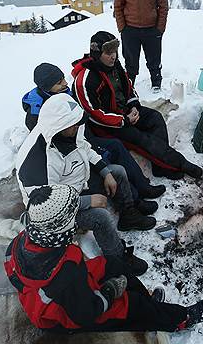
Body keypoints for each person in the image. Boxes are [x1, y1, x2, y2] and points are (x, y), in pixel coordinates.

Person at [5, 184, 203, 333]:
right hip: (61, 315)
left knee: (113, 263)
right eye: (72, 217)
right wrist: (109, 291)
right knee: (133, 305)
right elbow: (85, 313)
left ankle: (149, 304)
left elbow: (18, 277)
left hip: (56, 292)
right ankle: (179, 319)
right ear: (62, 226)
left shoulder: (20, 242)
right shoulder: (66, 269)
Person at [15, 93, 155, 276]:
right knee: (100, 216)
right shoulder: (38, 162)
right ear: (60, 126)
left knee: (117, 171)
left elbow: (85, 148)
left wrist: (105, 172)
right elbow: (47, 206)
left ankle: (129, 215)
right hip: (54, 212)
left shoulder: (71, 127)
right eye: (74, 124)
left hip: (76, 182)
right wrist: (87, 201)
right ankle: (117, 259)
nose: (79, 126)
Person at [22, 63, 166, 201]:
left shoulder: (65, 94)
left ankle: (143, 186)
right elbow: (49, 142)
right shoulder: (36, 112)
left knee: (116, 145)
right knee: (107, 160)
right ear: (47, 87)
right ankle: (134, 200)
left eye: (64, 78)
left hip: (83, 138)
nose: (66, 83)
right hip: (71, 153)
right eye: (59, 82)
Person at [72, 31, 203, 180]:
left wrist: (133, 106)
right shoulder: (86, 79)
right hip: (108, 126)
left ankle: (160, 167)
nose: (113, 56)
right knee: (142, 139)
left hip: (126, 112)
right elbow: (93, 113)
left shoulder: (115, 66)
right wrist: (124, 120)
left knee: (155, 117)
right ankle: (182, 164)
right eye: (108, 52)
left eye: (115, 51)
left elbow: (129, 87)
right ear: (96, 53)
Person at [114, 0, 169, 91]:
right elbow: (118, 5)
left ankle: (156, 83)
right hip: (130, 30)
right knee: (130, 62)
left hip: (152, 29)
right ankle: (129, 85)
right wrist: (122, 28)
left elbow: (163, 6)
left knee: (154, 60)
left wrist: (160, 29)